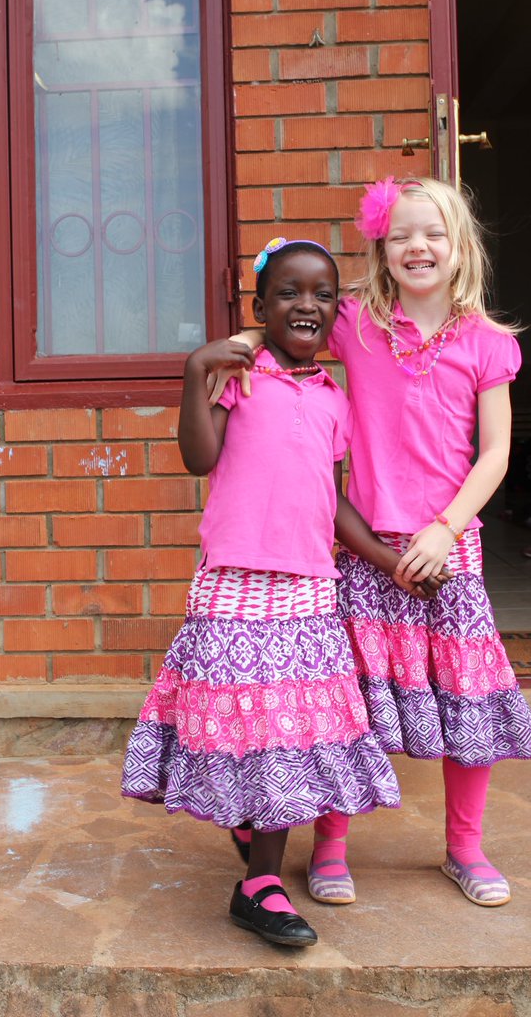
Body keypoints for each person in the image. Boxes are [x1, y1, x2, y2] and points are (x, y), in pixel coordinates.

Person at [216, 178, 531, 908]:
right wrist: (240, 342)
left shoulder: (488, 344)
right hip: (364, 545)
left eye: (433, 233)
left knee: (467, 696)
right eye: (400, 236)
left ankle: (464, 847)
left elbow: (494, 453)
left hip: (447, 547)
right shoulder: (356, 323)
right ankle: (330, 847)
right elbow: (287, 322)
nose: (417, 246)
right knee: (346, 700)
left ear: (460, 248)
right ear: (382, 251)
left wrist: (446, 528)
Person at [122, 238, 406, 949]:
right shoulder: (237, 378)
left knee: (284, 732)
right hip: (234, 583)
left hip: (307, 588)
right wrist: (196, 372)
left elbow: (332, 501)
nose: (306, 304)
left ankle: (260, 886)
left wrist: (386, 559)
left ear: (336, 313)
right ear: (259, 307)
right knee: (242, 725)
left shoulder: (334, 400)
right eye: (288, 292)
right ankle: (254, 835)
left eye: (322, 294)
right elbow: (198, 457)